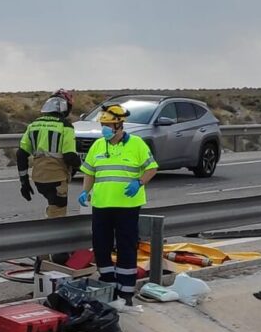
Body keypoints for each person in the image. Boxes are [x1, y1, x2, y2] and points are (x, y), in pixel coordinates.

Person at [79, 104, 158, 305]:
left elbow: (151, 168)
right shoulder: (98, 145)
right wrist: (85, 191)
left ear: (119, 126)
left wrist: (139, 182)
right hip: (102, 205)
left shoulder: (137, 144)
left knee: (126, 246)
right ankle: (108, 284)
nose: (104, 129)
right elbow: (89, 172)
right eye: (102, 125)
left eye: (108, 125)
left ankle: (126, 292)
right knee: (100, 245)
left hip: (127, 206)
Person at [17, 89, 80, 218]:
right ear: (65, 107)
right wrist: (84, 167)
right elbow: (70, 156)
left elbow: (21, 154)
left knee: (52, 207)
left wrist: (24, 182)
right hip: (56, 178)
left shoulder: (34, 125)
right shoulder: (65, 126)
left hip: (38, 178)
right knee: (58, 214)